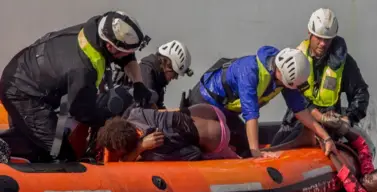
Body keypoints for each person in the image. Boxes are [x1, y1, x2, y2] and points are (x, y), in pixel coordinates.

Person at [0, 11, 154, 163]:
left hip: (25, 73)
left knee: (36, 137)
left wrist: (138, 83)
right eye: (124, 51)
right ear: (110, 47)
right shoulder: (84, 70)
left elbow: (126, 56)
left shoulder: (98, 27)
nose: (129, 55)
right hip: (22, 92)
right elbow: (82, 112)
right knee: (59, 152)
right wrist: (107, 120)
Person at [184, 46, 337, 158]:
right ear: (279, 73)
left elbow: (300, 111)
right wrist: (256, 152)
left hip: (226, 110)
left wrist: (326, 137)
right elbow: (250, 115)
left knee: (243, 146)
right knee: (212, 143)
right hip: (205, 102)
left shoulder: (285, 78)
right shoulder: (249, 73)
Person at [271, 7, 370, 147]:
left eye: (328, 40)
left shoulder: (344, 63)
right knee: (276, 148)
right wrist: (317, 116)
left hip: (330, 125)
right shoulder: (296, 59)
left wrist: (348, 119)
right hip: (297, 120)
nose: (323, 44)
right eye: (319, 38)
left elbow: (361, 93)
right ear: (309, 33)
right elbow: (291, 92)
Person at [96, 104, 240, 162]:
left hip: (219, 138)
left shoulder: (154, 152)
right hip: (210, 111)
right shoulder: (136, 113)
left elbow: (194, 153)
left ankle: (229, 151)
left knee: (197, 151)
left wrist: (140, 148)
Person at [108, 40, 194, 109]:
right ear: (168, 66)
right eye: (175, 74)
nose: (175, 78)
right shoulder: (146, 72)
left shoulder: (158, 77)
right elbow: (148, 109)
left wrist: (180, 112)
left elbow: (159, 108)